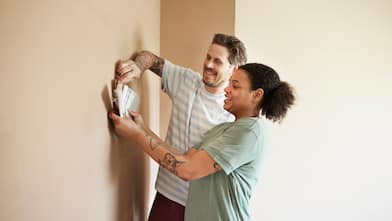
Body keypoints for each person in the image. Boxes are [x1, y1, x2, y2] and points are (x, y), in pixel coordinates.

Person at [109, 62, 295, 220]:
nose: (227, 89)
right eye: (230, 83)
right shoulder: (223, 129)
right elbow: (181, 159)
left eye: (236, 86)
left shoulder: (251, 131)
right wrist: (142, 128)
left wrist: (136, 135)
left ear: (257, 95)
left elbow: (187, 169)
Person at [114, 33, 247, 221]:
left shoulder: (232, 113)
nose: (208, 64)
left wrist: (139, 133)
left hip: (203, 209)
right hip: (167, 197)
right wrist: (138, 66)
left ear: (234, 69)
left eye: (217, 61)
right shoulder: (186, 80)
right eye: (208, 57)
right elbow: (149, 58)